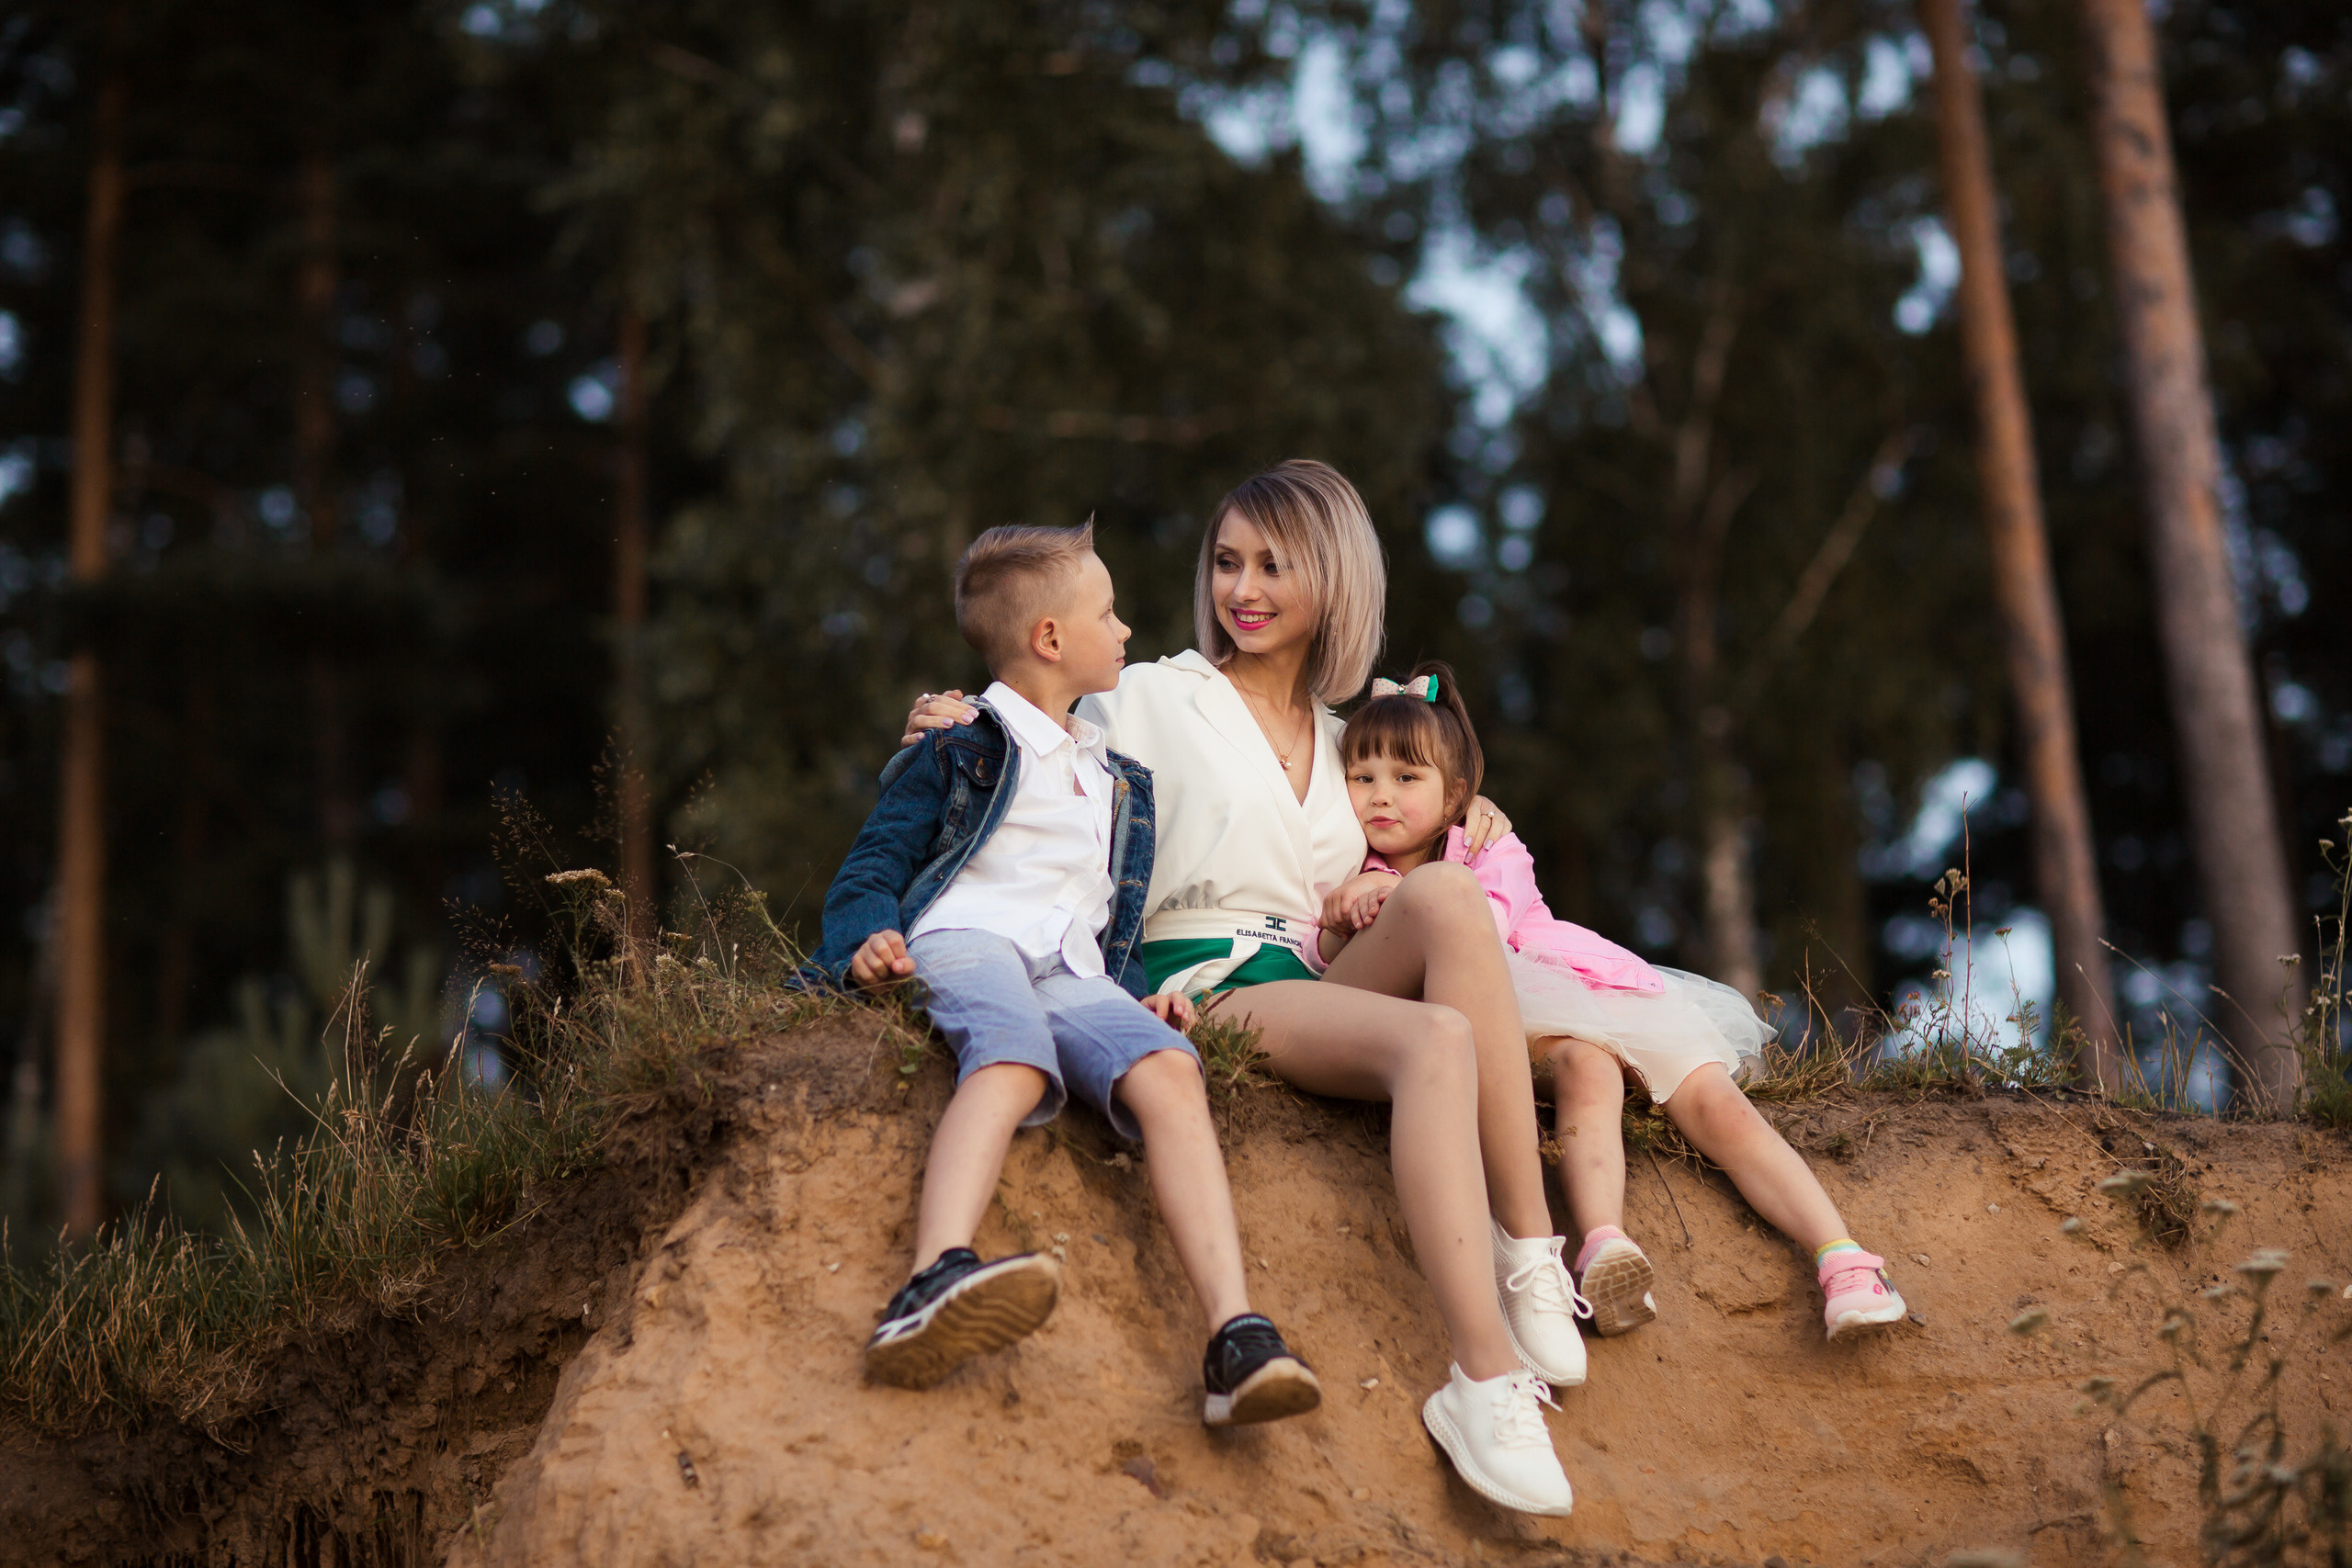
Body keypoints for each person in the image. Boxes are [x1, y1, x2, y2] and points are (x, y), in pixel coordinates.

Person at [904, 463, 1579, 1519]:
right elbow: (1027, 714)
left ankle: (1530, 1253)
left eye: (1273, 564)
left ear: (1335, 579)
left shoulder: (1350, 728)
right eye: (1226, 562)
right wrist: (950, 722)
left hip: (1312, 968)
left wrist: (1473, 814)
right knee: (1433, 1042)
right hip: (1204, 977)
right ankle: (1484, 1378)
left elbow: (1408, 814)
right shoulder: (1150, 692)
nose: (1242, 588)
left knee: (1448, 896)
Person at [811, 520, 1322, 1427]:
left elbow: (1093, 915)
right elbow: (871, 865)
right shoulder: (959, 745)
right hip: (967, 938)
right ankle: (930, 1280)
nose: (1127, 630)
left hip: (1070, 968)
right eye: (1109, 612)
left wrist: (1139, 999)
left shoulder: (1116, 775)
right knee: (1009, 1058)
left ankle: (1235, 1335)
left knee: (1169, 1069)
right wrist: (863, 941)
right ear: (1051, 639)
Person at [1320, 660, 1910, 1344]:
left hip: (1575, 981)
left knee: (1717, 1103)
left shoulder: (1489, 844)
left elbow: (1484, 922)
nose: (1380, 797)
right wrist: (1343, 917)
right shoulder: (1353, 872)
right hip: (1518, 1018)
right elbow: (1346, 973)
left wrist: (1401, 897)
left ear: (1455, 796)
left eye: (1405, 778)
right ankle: (1603, 1242)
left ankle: (1842, 1258)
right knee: (1585, 1070)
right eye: (1362, 778)